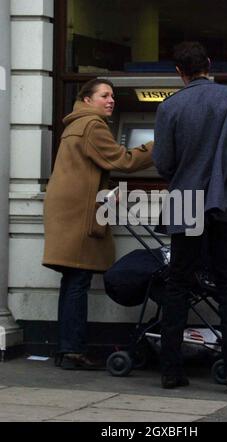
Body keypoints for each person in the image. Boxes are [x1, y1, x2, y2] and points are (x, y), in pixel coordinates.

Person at [153, 42, 227, 393]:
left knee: (178, 283)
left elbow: (163, 162)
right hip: (223, 199)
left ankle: (170, 370)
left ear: (178, 72)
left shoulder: (169, 106)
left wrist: (181, 179)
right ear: (209, 64)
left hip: (185, 197)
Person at [43, 78, 153, 369]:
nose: (111, 100)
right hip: (79, 215)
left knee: (71, 282)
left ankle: (66, 348)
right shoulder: (92, 125)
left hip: (67, 213)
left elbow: (91, 169)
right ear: (87, 99)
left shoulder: (74, 125)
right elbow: (122, 160)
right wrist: (159, 145)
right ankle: (73, 352)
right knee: (78, 281)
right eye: (104, 95)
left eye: (113, 96)